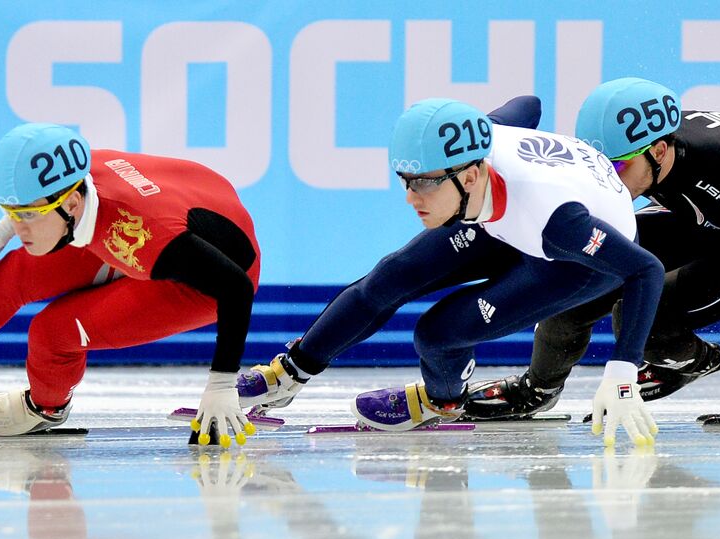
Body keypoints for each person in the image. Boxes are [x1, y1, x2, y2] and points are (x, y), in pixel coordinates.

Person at [240, 97, 666, 446]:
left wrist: (623, 373)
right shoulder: (482, 138)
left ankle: (441, 401)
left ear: (471, 174)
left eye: (424, 183)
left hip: (572, 261)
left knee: (437, 334)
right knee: (389, 278)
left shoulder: (559, 223)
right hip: (502, 215)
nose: (411, 198)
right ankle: (290, 372)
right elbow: (527, 105)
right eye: (405, 180)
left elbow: (645, 269)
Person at [0, 123, 262, 445]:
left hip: (207, 275)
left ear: (73, 203)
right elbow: (34, 200)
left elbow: (236, 288)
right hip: (181, 204)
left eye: (26, 216)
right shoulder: (71, 183)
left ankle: (46, 407)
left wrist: (221, 384)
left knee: (54, 332)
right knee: (12, 274)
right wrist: (0, 232)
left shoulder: (145, 236)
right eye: (11, 211)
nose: (19, 224)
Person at [464, 78, 720, 436]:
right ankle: (538, 388)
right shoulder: (646, 155)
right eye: (595, 164)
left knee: (639, 320)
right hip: (690, 213)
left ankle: (690, 358)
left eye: (615, 167)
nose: (604, 179)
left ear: (660, 151)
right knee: (569, 289)